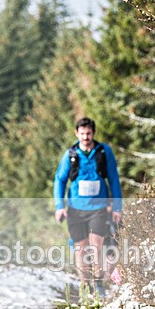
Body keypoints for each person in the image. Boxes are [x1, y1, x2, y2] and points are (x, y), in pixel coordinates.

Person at [53, 117, 122, 297]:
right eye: (82, 134)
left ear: (93, 133)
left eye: (89, 133)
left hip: (99, 208)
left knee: (96, 245)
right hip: (76, 209)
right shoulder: (71, 155)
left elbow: (114, 179)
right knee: (81, 249)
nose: (86, 137)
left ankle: (99, 283)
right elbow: (59, 180)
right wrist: (59, 206)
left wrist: (117, 208)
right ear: (77, 133)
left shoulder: (104, 151)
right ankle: (86, 286)